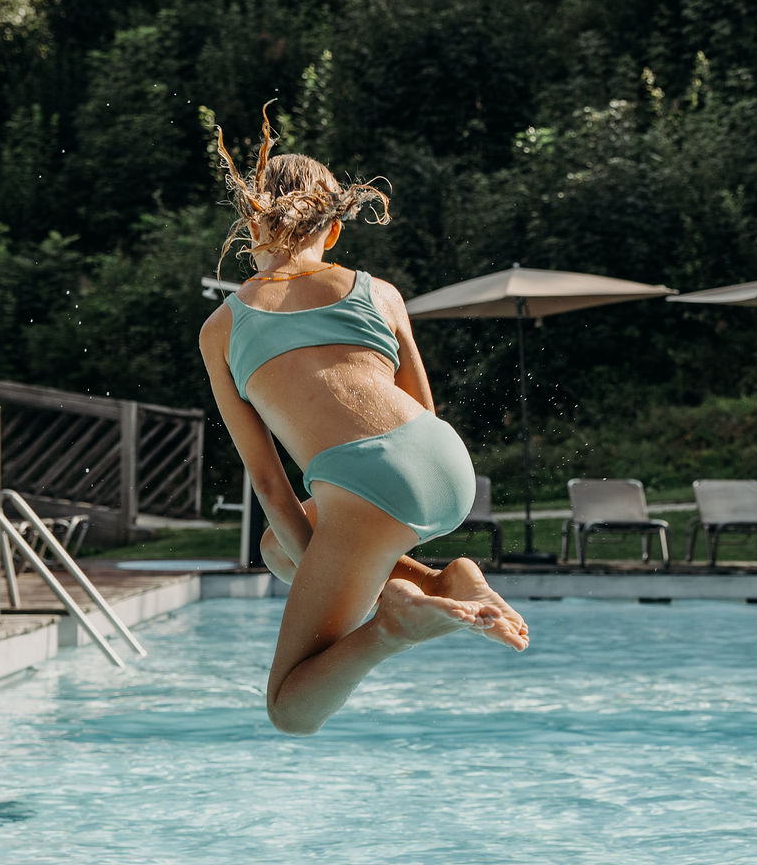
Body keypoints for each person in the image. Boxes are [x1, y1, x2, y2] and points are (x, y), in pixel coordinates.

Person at [199, 115, 528, 734]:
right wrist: (339, 560)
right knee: (280, 551)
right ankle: (446, 579)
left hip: (368, 481)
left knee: (290, 710)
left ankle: (394, 626)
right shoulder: (380, 292)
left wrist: (361, 602)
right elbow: (424, 411)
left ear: (251, 222)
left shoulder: (222, 327)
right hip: (443, 464)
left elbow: (270, 486)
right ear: (336, 227)